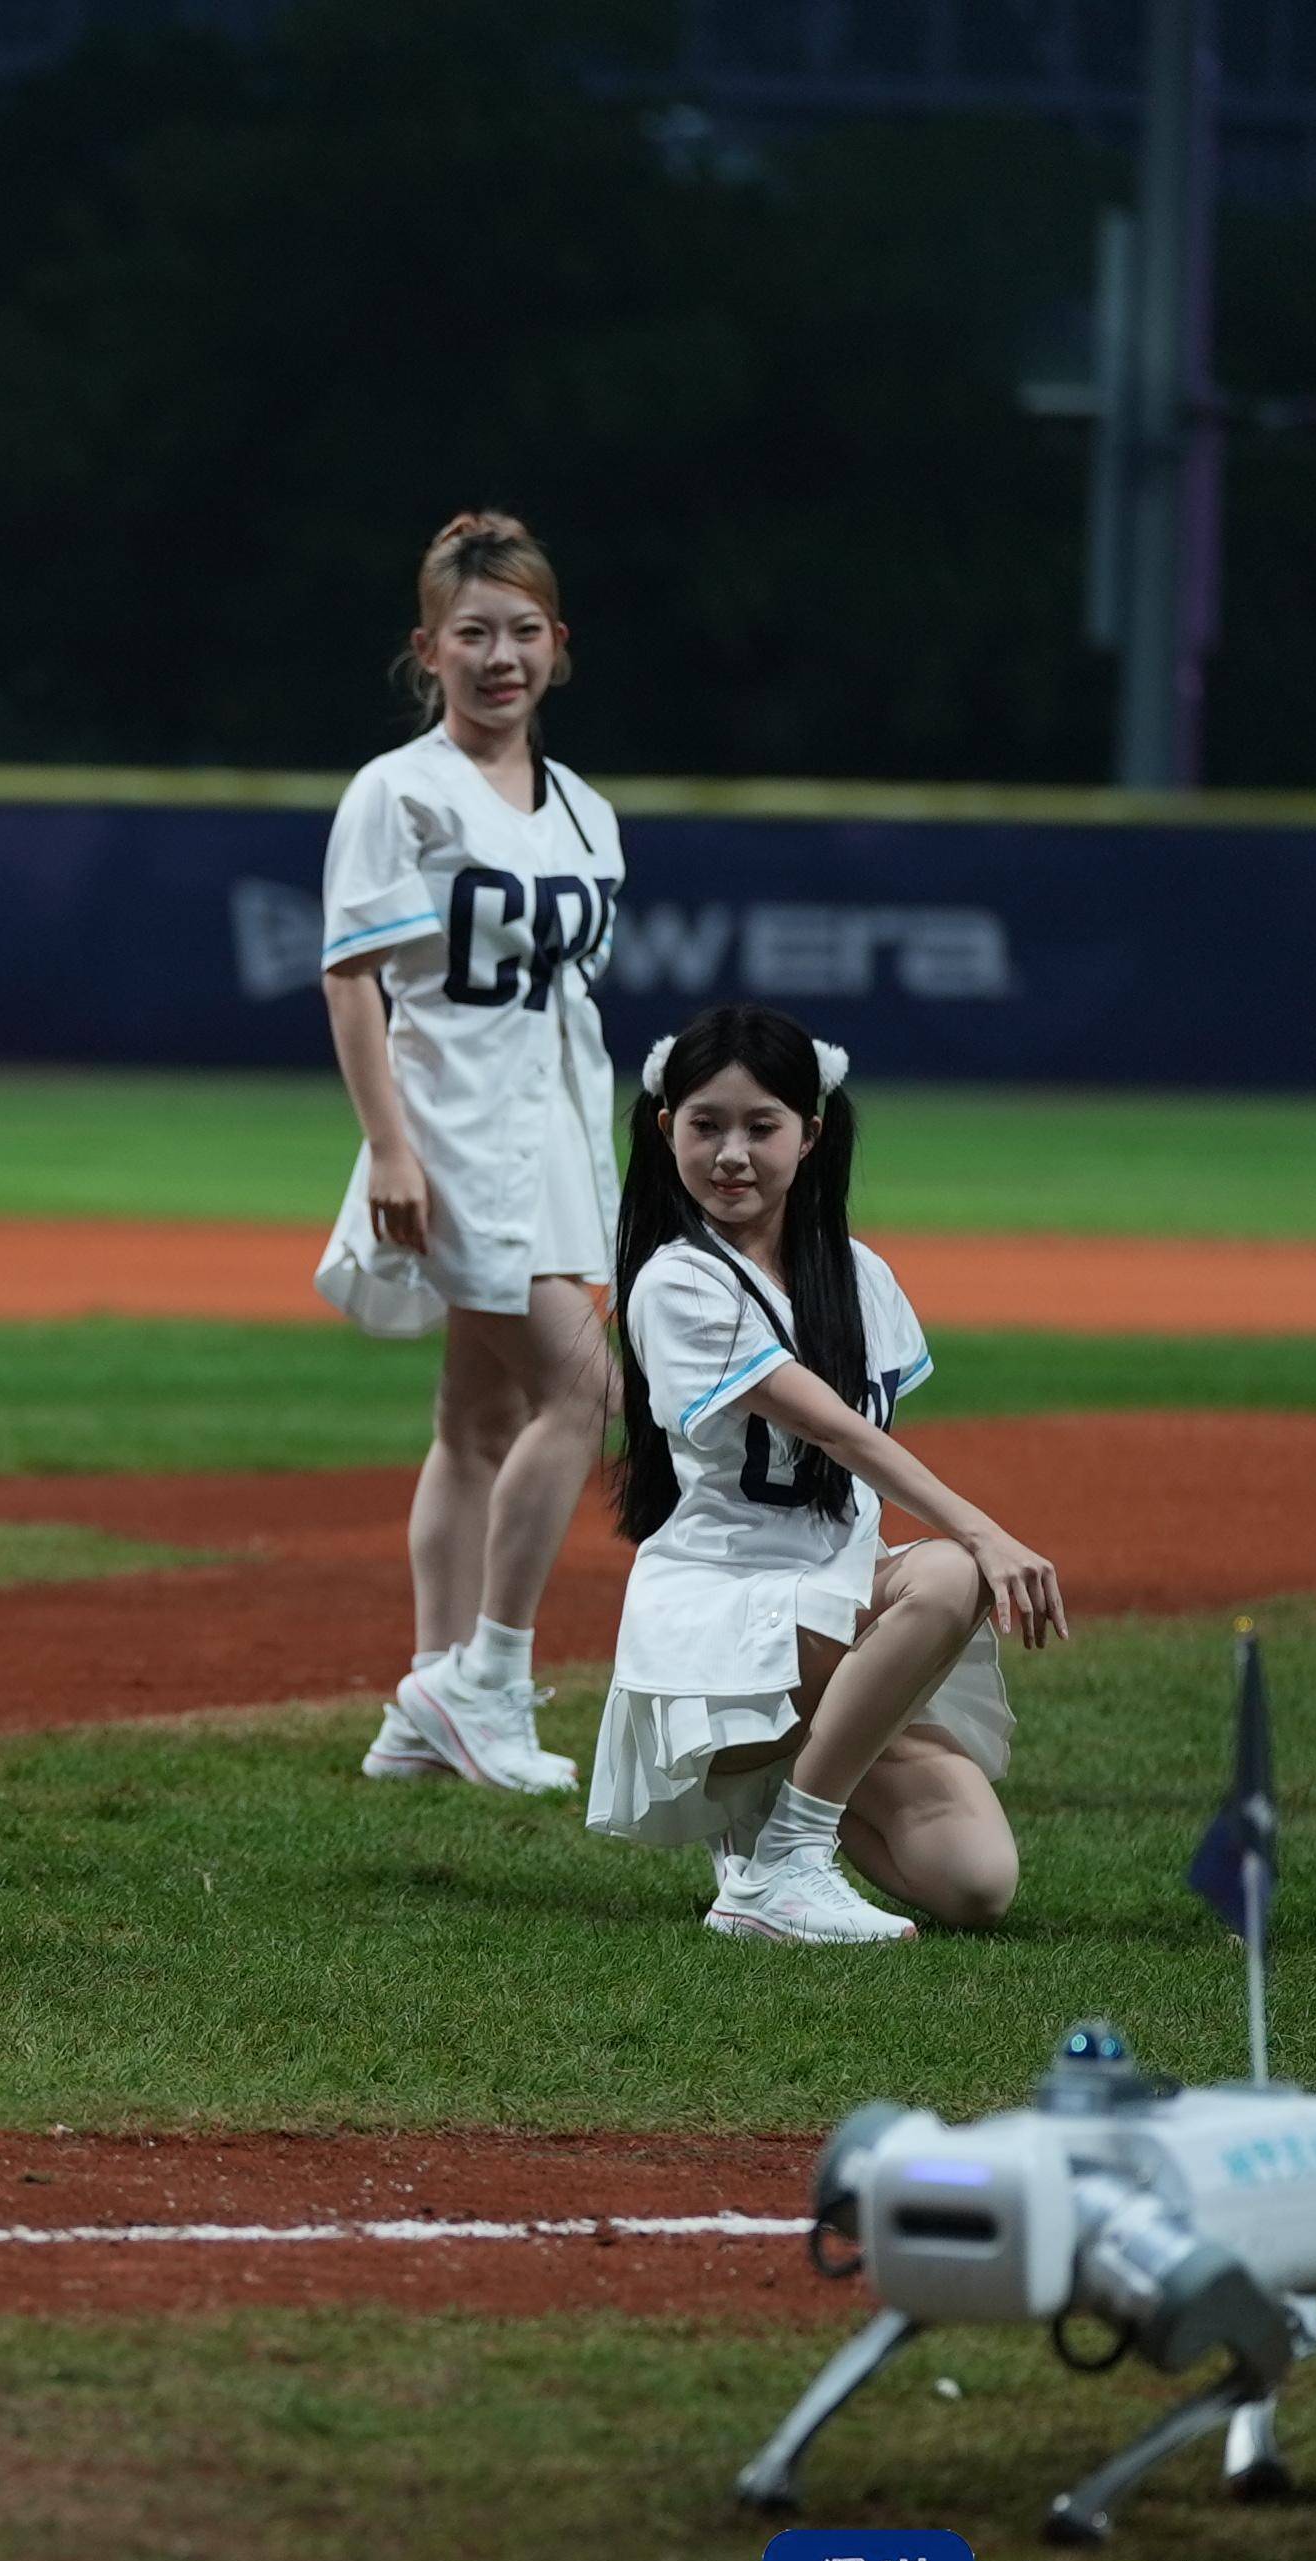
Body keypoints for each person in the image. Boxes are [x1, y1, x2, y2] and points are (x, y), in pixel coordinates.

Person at [587, 1003, 1063, 1944]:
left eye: (760, 1127)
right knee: (953, 1571)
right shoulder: (677, 1280)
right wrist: (984, 1532)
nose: (731, 1154)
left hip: (829, 1614)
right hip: (725, 1630)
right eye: (705, 1125)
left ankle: (778, 1820)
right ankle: (785, 1863)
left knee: (977, 1885)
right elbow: (837, 1431)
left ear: (808, 1135)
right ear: (666, 1130)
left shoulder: (862, 1276)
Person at [313, 509, 628, 1798]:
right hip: (448, 1136)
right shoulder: (400, 791)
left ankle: (425, 1701)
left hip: (553, 1139)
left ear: (558, 642)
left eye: (523, 632)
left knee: (477, 1418)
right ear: (427, 649)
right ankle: (487, 1677)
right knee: (586, 1392)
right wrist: (387, 1149)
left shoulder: (586, 810)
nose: (501, 658)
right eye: (473, 634)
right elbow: (351, 979)